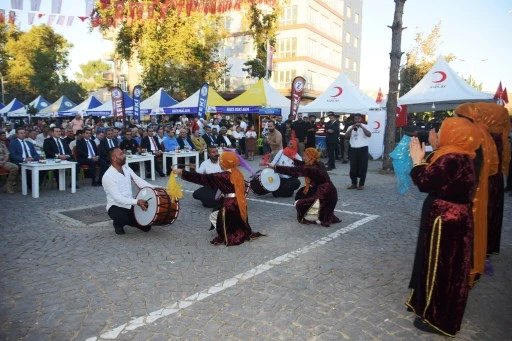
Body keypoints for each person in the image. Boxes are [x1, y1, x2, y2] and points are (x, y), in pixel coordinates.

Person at [406, 117, 480, 337]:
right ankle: (427, 304)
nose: (431, 135)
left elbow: (426, 183)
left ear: (450, 134)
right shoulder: (459, 153)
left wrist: (417, 161)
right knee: (443, 265)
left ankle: (437, 317)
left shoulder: (450, 157)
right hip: (453, 217)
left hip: (446, 220)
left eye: (436, 131)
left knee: (442, 266)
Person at [173, 151, 265, 246]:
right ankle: (241, 232)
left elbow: (202, 178)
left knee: (226, 220)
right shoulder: (237, 172)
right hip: (239, 201)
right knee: (238, 219)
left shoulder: (222, 176)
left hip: (229, 203)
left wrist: (182, 172)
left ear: (225, 163)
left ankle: (231, 235)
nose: (220, 162)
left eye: (221, 161)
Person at [269, 147, 341, 227]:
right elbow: (302, 164)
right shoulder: (318, 163)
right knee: (301, 193)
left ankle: (314, 215)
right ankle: (315, 212)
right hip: (331, 191)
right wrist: (292, 159)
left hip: (325, 193)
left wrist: (275, 167)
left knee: (300, 203)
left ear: (310, 156)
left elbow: (294, 171)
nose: (304, 157)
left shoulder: (311, 168)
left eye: (305, 156)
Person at [474, 102, 510, 255]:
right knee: (493, 212)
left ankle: (479, 247)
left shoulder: (483, 134)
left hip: (483, 179)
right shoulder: (500, 134)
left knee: (482, 211)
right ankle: (489, 246)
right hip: (496, 180)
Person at [102, 148, 154, 235]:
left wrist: (157, 188)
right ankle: (117, 224)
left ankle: (129, 219)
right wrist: (137, 202)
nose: (124, 156)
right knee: (123, 218)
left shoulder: (126, 168)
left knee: (147, 227)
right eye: (121, 154)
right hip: (115, 206)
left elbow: (139, 181)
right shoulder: (108, 176)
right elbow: (118, 198)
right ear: (114, 158)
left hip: (130, 204)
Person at [345, 113, 371, 190]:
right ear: (354, 119)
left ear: (361, 119)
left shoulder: (366, 126)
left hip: (363, 148)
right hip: (353, 148)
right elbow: (346, 136)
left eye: (358, 119)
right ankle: (354, 183)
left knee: (363, 166)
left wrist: (362, 127)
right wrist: (352, 127)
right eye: (356, 119)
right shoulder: (350, 127)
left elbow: (369, 134)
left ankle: (361, 184)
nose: (357, 120)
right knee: (353, 167)